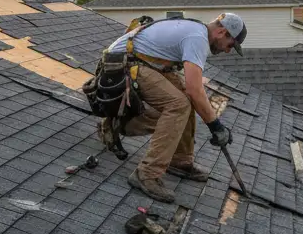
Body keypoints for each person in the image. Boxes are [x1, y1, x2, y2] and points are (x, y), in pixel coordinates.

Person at [99, 13, 247, 203]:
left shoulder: (197, 31)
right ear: (222, 32)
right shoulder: (198, 37)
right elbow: (196, 89)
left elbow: (193, 92)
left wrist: (213, 122)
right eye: (230, 45)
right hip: (122, 63)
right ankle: (147, 174)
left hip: (140, 61)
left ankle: (180, 160)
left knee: (185, 99)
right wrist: (216, 126)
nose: (227, 51)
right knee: (178, 105)